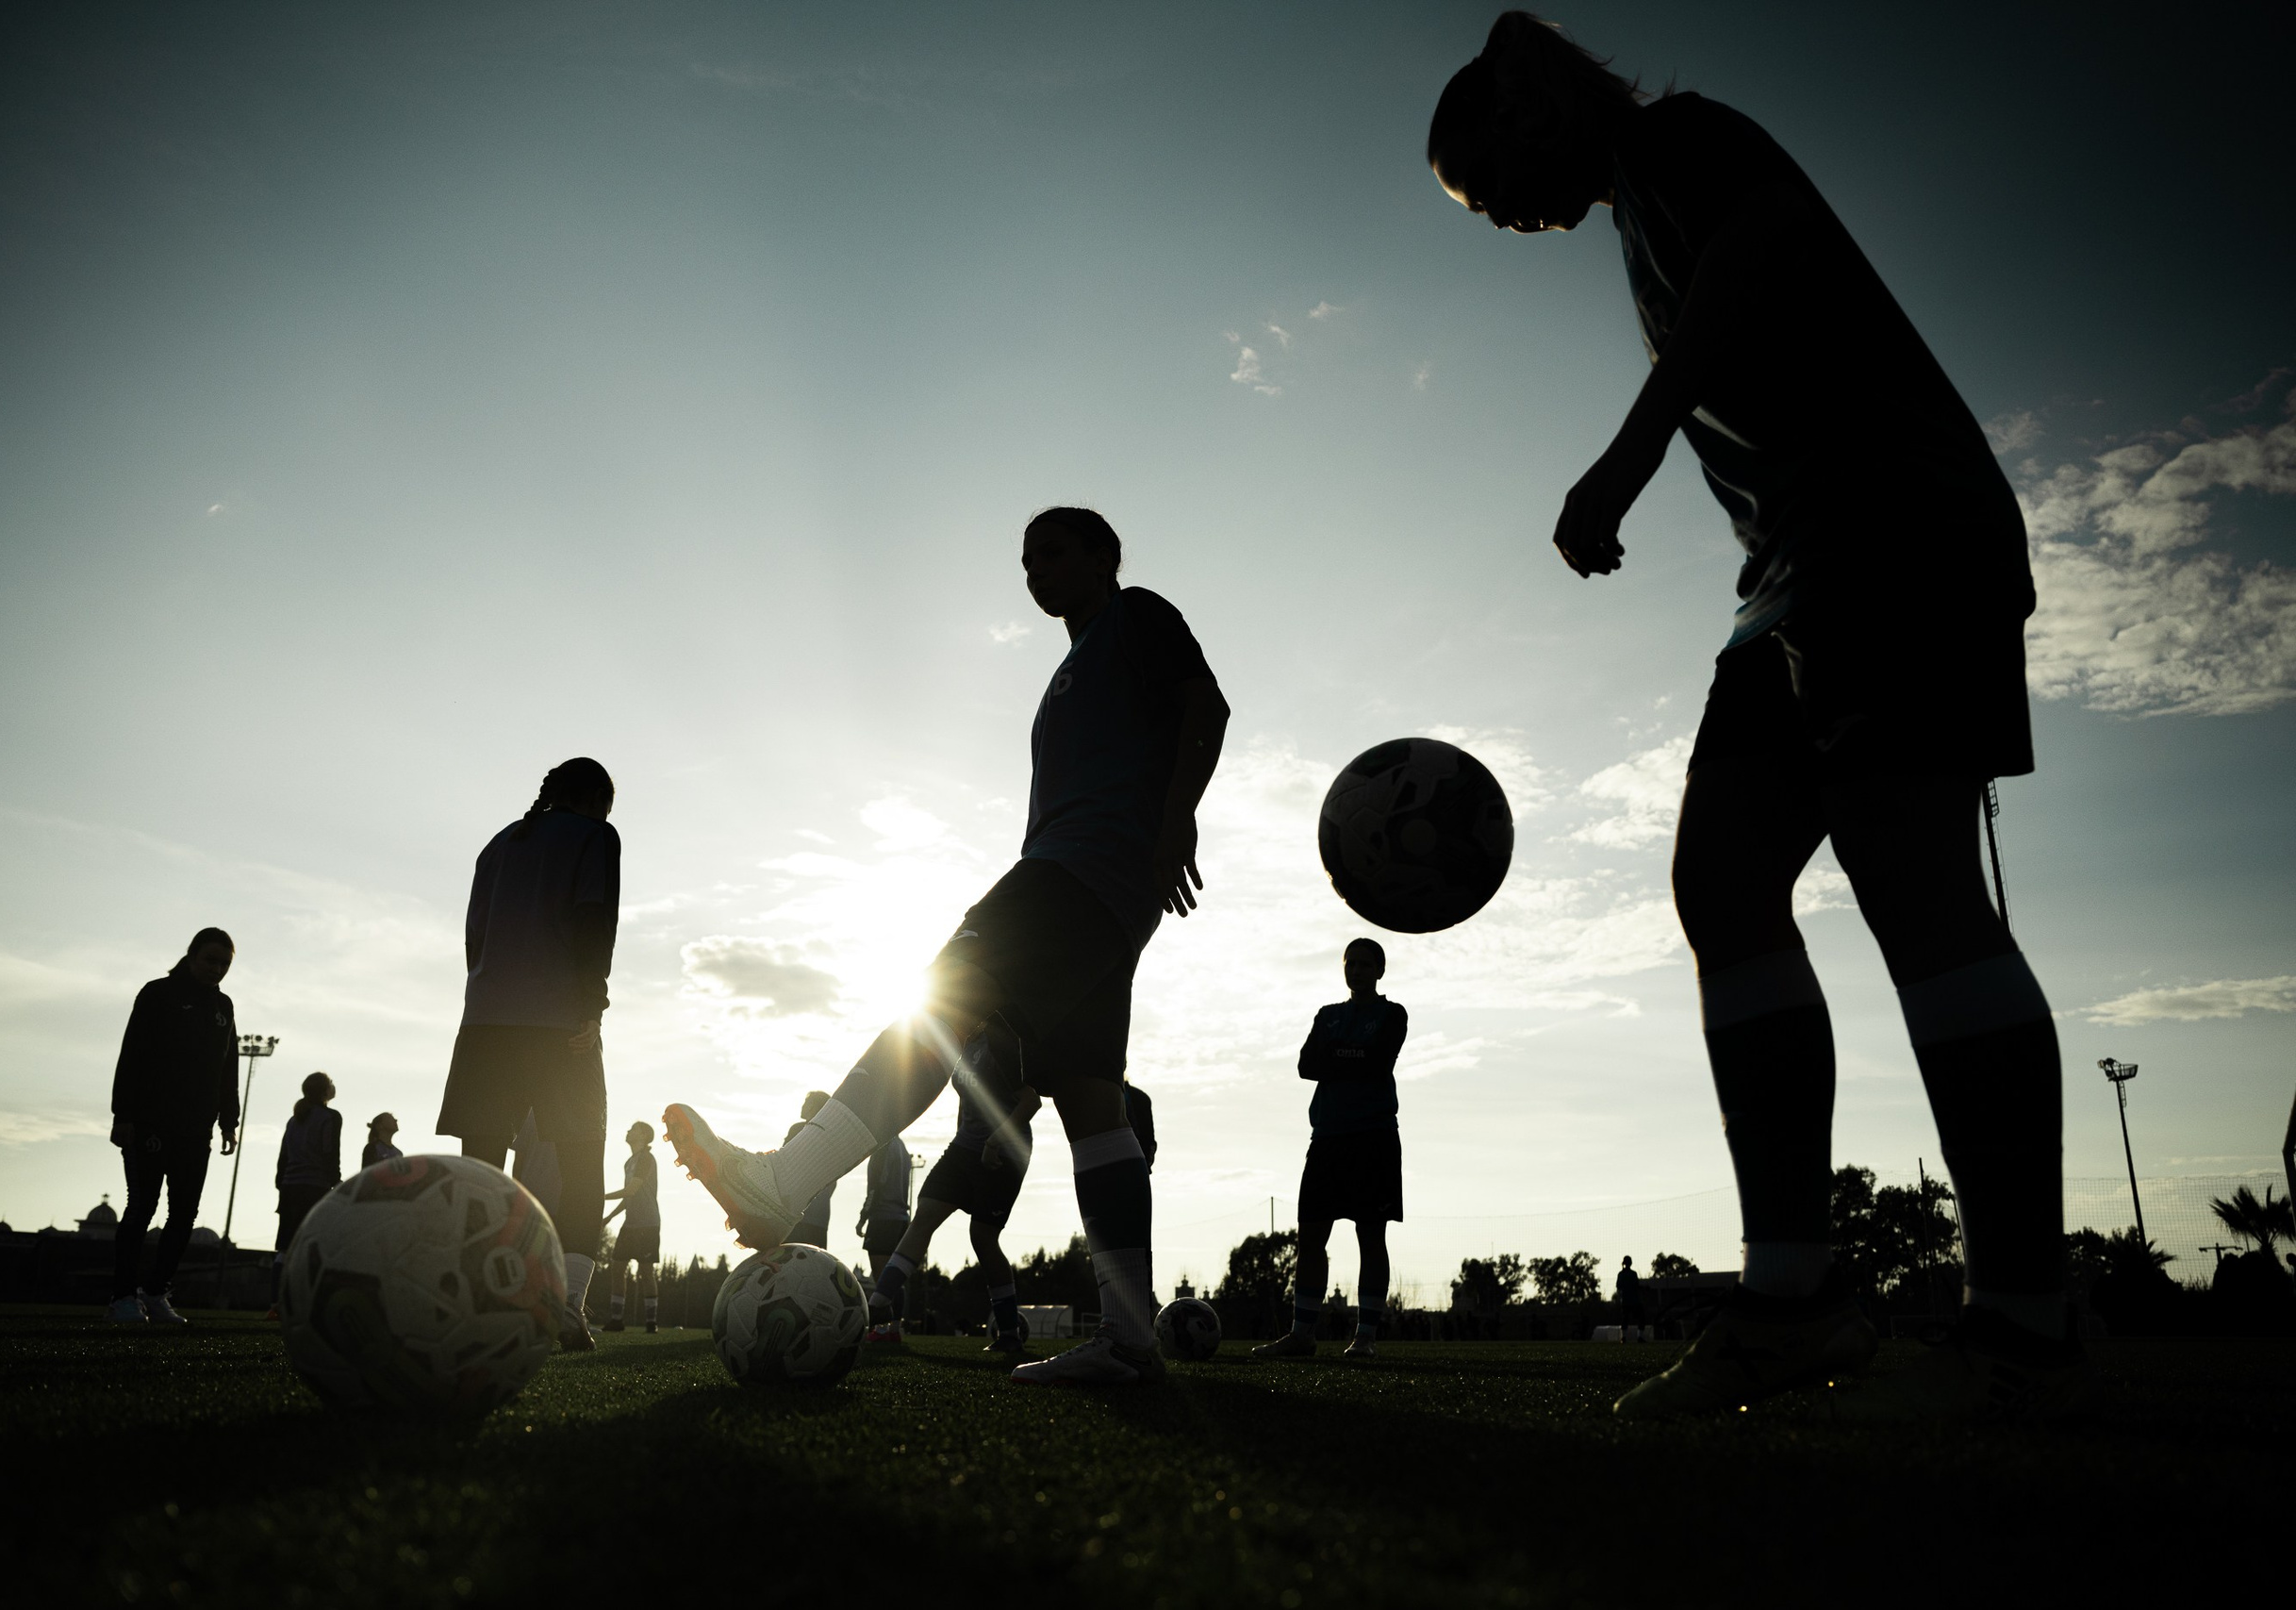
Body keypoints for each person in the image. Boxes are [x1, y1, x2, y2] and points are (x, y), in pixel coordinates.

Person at [1428, 14, 2085, 1419]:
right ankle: (1791, 1301)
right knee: (1721, 880)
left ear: (1532, 111)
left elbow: (1758, 253)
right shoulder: (1634, 201)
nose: (1503, 220)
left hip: (1894, 526)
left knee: (1915, 881)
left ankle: (2024, 1321)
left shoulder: (1678, 141)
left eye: (1488, 183)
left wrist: (1625, 454)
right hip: (1794, 570)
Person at [665, 506, 1230, 1386]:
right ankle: (1129, 1341)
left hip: (1079, 872)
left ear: (1105, 557)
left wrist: (1176, 819)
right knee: (1092, 1104)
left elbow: (1208, 705)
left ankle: (785, 1180)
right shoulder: (1067, 671)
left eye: (1053, 552)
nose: (1035, 569)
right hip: (1099, 891)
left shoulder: (1138, 614)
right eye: (1024, 559)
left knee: (939, 999)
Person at [438, 756, 620, 1352]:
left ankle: (474, 1299)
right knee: (582, 1161)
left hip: (486, 1020)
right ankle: (567, 1305)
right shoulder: (596, 835)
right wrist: (591, 1006)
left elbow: (473, 937)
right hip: (559, 1022)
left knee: (483, 1165)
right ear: (595, 799)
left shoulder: (497, 845)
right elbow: (594, 920)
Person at [1255, 938, 1407, 1360]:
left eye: (1365, 964)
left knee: (1371, 1235)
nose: (1356, 970)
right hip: (1326, 1138)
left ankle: (1365, 1338)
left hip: (1373, 1135)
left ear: (1379, 970)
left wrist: (1338, 1057)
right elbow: (1307, 1065)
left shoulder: (1392, 1014)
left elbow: (1379, 1062)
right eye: (1350, 963)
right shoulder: (1328, 1015)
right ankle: (1301, 1334)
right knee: (1311, 1238)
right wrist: (1352, 1057)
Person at [868, 1023, 1039, 1353]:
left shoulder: (1002, 1039)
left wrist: (994, 1141)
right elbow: (969, 1103)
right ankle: (877, 1306)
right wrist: (964, 1140)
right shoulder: (964, 1044)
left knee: (983, 1237)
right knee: (925, 1213)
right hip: (965, 1148)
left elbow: (1031, 1101)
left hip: (1005, 1152)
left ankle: (1009, 1336)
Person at [107, 927, 240, 1325]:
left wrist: (228, 1121)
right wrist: (123, 1114)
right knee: (142, 1207)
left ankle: (155, 1292)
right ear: (192, 956)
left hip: (196, 1129)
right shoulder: (157, 994)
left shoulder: (225, 1007)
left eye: (225, 964)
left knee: (184, 1214)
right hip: (150, 1121)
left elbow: (227, 1069)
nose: (217, 969)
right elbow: (131, 1053)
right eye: (211, 960)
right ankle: (122, 1298)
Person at [271, 1072, 342, 1314]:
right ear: (324, 1091)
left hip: (290, 1187)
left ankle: (277, 1302)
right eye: (331, 1085)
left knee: (285, 1245)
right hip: (315, 1186)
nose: (334, 1088)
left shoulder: (294, 1119)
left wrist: (281, 1183)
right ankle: (305, 1302)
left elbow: (284, 1155)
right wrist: (336, 1181)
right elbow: (329, 1151)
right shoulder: (330, 1116)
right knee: (313, 1243)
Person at [603, 1120, 661, 1333]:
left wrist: (599, 1196)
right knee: (618, 1267)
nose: (628, 1130)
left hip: (648, 1223)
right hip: (630, 1224)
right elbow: (629, 1198)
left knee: (646, 1271)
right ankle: (617, 1320)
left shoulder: (647, 1158)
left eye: (633, 1129)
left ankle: (651, 1323)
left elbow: (631, 1191)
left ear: (644, 1135)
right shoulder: (629, 1162)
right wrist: (609, 1217)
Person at [855, 1124, 912, 1338]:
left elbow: (875, 1187)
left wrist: (863, 1216)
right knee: (895, 1276)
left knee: (882, 1276)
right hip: (900, 1218)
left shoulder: (883, 1146)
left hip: (883, 1218)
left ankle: (882, 1327)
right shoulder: (901, 1146)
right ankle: (895, 1328)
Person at [782, 1092, 837, 1247]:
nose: (802, 1106)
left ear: (813, 1106)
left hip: (793, 1213)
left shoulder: (798, 1130)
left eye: (806, 1102)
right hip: (820, 1215)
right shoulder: (833, 1137)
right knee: (814, 1264)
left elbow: (782, 1163)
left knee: (787, 1262)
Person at [1616, 1254, 1646, 1339]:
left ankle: (1624, 1337)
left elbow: (1618, 1286)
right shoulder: (1633, 1274)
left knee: (1625, 1318)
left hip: (1626, 1300)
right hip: (1633, 1300)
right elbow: (1636, 1286)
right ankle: (1639, 1336)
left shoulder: (1621, 1274)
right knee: (1640, 1317)